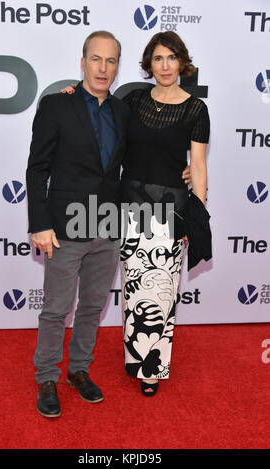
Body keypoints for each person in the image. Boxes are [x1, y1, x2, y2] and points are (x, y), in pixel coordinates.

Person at [26, 31, 130, 418]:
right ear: (83, 61)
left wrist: (187, 170)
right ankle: (47, 377)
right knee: (55, 308)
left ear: (118, 66)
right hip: (65, 226)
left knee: (91, 306)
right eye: (96, 59)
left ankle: (79, 370)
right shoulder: (56, 105)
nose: (103, 68)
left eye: (111, 61)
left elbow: (136, 161)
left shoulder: (122, 111)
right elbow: (37, 169)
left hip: (106, 225)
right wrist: (40, 222)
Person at [120, 32, 211, 396]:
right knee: (133, 289)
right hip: (128, 207)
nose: (165, 66)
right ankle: (134, 356)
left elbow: (199, 167)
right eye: (158, 58)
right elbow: (104, 126)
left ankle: (152, 367)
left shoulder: (196, 109)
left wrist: (196, 215)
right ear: (149, 64)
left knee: (161, 290)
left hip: (170, 210)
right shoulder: (134, 99)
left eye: (171, 58)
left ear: (182, 63)